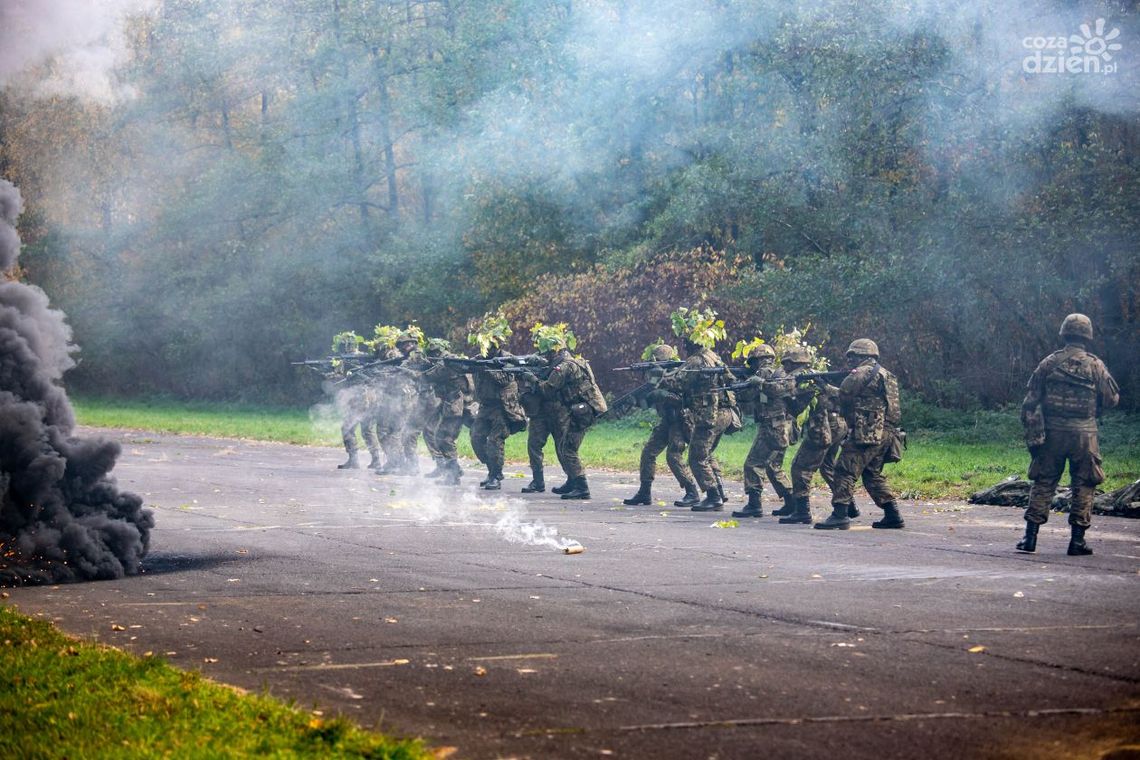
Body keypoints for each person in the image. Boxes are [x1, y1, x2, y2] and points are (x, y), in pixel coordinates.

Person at [1016, 314, 1119, 555]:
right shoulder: (1095, 365)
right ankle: (1077, 542)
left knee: (1044, 481)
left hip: (1052, 434)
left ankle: (1030, 538)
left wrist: (1033, 430)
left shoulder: (1049, 363)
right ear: (1088, 336)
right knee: (1084, 484)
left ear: (1064, 333)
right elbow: (1112, 399)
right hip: (1085, 435)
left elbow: (1030, 400)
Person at [814, 339, 905, 530]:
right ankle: (893, 514)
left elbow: (843, 395)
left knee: (844, 470)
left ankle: (840, 514)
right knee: (872, 474)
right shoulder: (886, 374)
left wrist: (824, 387)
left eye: (852, 356)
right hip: (887, 432)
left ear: (862, 355)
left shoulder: (861, 373)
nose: (849, 360)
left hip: (867, 432)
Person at [531, 323, 607, 500]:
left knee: (568, 449)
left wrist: (532, 380)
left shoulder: (564, 367)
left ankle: (582, 487)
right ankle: (573, 482)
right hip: (584, 409)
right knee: (565, 445)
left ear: (555, 352)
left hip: (581, 412)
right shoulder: (577, 362)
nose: (545, 357)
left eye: (548, 354)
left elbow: (547, 389)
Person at [673, 307, 735, 512]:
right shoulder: (713, 357)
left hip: (709, 415)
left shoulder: (696, 360)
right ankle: (720, 492)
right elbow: (730, 379)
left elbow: (678, 383)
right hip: (725, 413)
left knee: (696, 456)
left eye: (685, 342)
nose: (684, 346)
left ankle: (713, 496)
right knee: (706, 453)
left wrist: (660, 377)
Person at [623, 343, 699, 507]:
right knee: (648, 452)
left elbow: (684, 400)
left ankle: (692, 492)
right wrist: (637, 400)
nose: (656, 364)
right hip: (667, 420)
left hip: (680, 420)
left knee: (673, 455)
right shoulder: (657, 375)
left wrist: (663, 394)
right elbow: (650, 398)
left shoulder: (680, 374)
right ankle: (644, 492)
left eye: (659, 361)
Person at [733, 343, 795, 518]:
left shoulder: (763, 374)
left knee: (753, 464)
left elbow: (747, 396)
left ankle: (754, 504)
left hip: (771, 427)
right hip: (783, 425)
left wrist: (738, 384)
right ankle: (792, 501)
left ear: (757, 360)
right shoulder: (779, 373)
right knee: (773, 466)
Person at [783, 357, 847, 526]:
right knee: (828, 467)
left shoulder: (808, 382)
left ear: (794, 364)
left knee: (800, 468)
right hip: (838, 425)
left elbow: (797, 408)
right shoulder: (817, 378)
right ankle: (848, 506)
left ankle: (802, 511)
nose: (784, 367)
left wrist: (788, 394)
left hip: (821, 428)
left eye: (787, 363)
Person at [468, 312, 526, 490]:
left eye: (492, 344)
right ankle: (492, 470)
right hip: (485, 407)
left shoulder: (507, 359)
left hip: (503, 408)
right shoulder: (479, 358)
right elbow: (464, 368)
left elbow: (505, 379)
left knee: (495, 441)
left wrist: (488, 368)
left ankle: (495, 476)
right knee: (476, 437)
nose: (488, 348)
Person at [420, 338, 471, 485]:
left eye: (435, 352)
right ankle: (453, 470)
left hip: (455, 404)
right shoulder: (445, 362)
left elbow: (428, 376)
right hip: (451, 403)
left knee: (444, 438)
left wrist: (412, 371)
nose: (433, 356)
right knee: (439, 435)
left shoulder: (448, 363)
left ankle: (453, 474)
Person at [329, 332, 381, 470]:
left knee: (347, 428)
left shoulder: (359, 359)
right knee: (367, 430)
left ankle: (354, 460)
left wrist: (335, 375)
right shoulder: (364, 358)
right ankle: (376, 460)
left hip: (360, 398)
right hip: (370, 398)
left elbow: (341, 379)